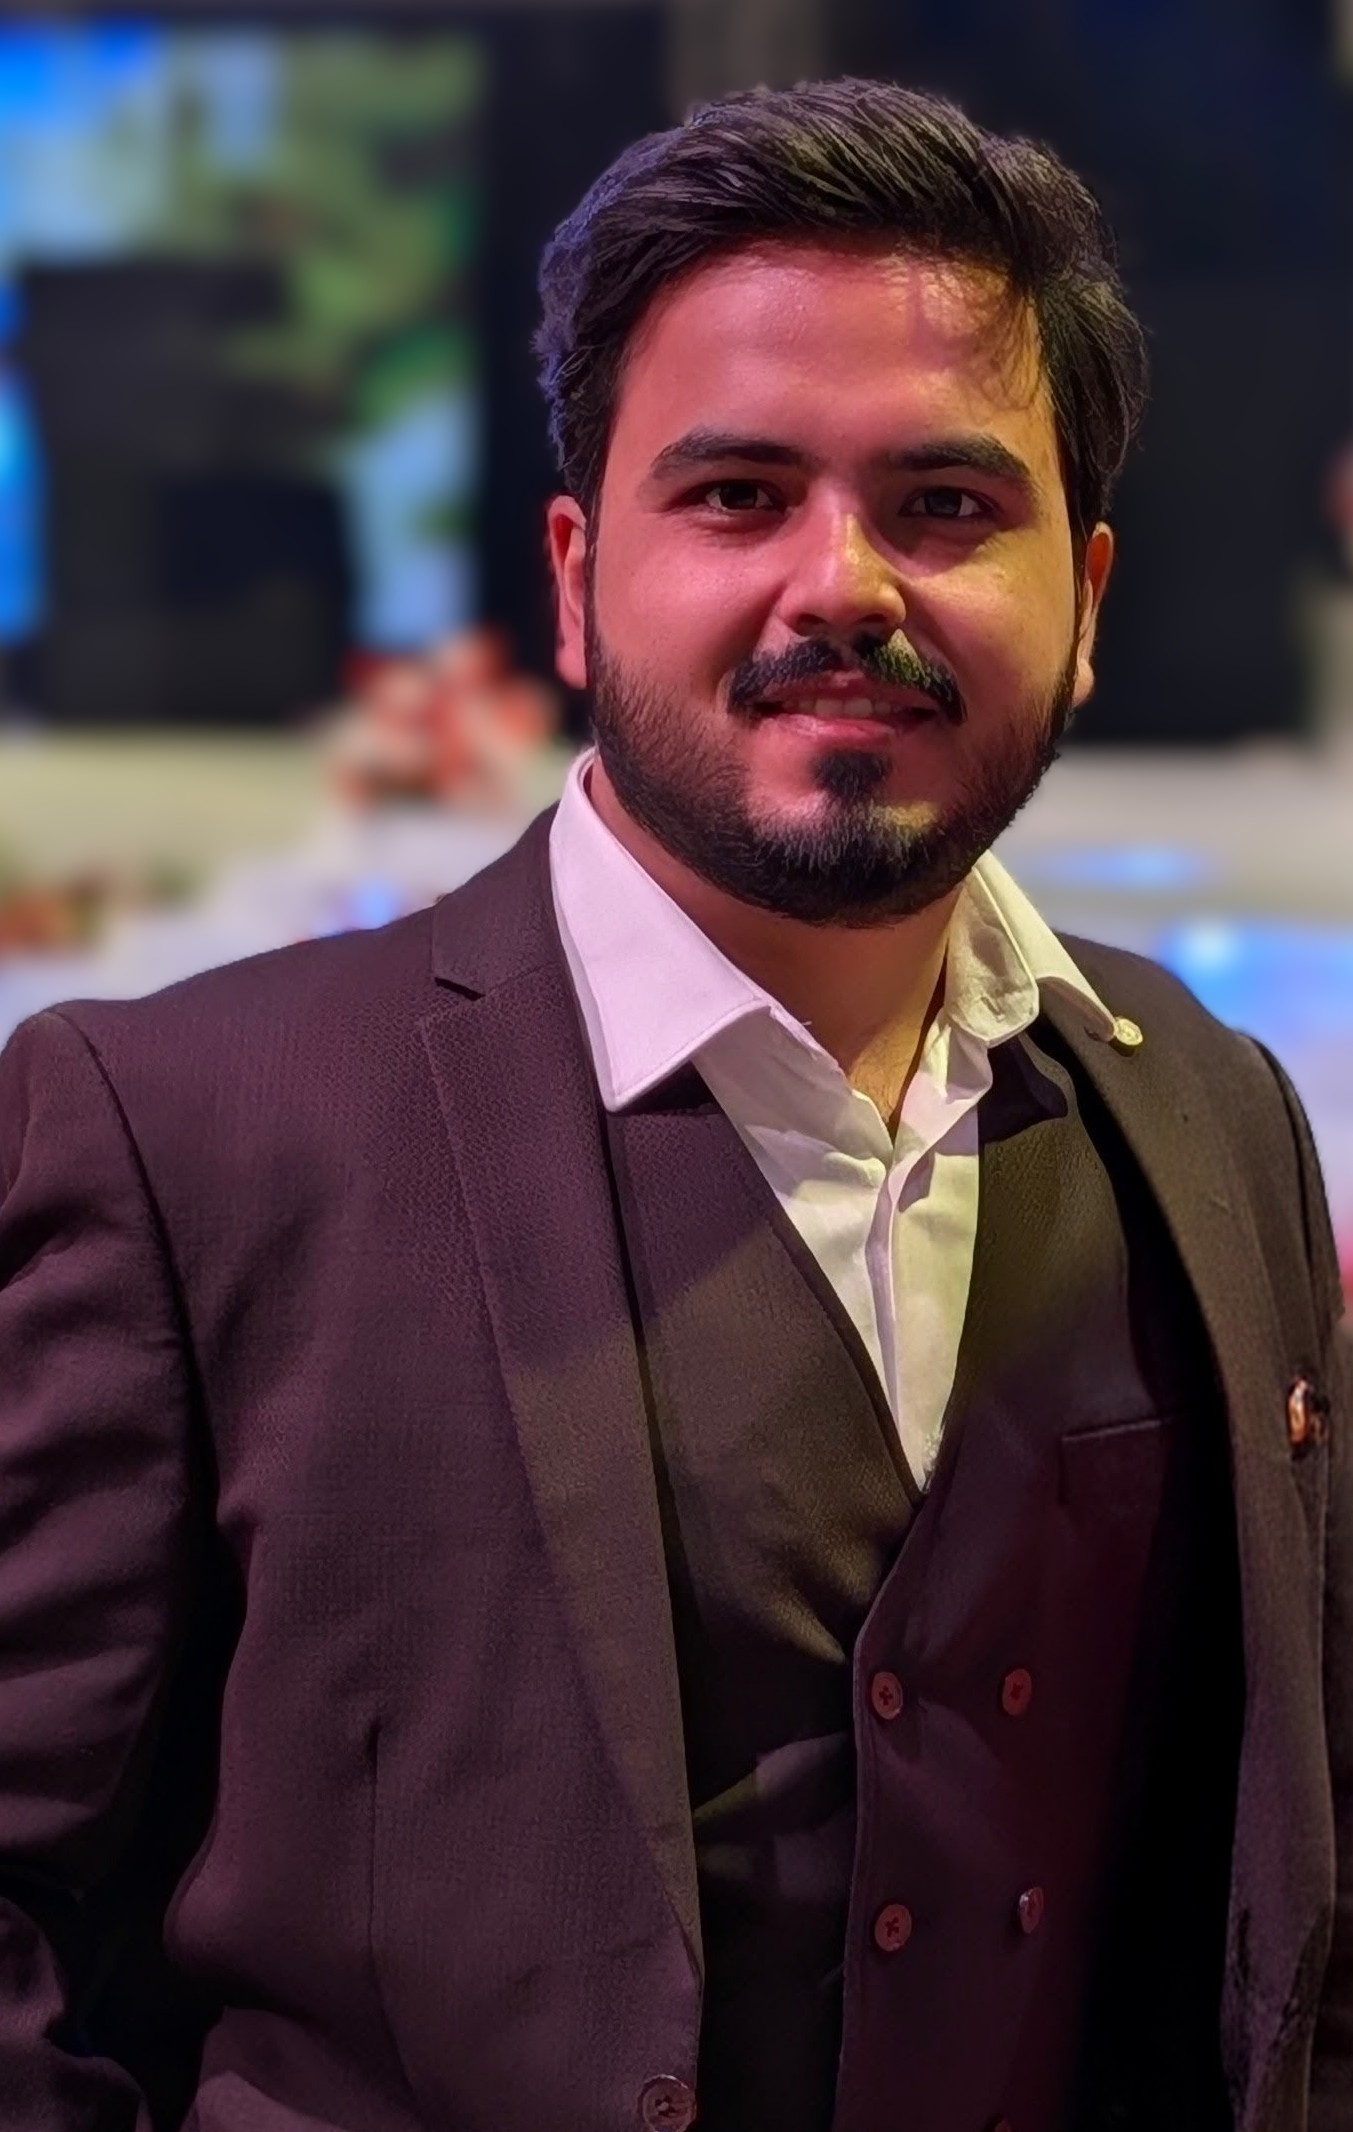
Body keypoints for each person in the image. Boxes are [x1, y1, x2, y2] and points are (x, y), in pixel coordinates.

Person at [0, 77, 1348, 2132]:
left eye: (943, 504)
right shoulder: (180, 1136)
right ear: (572, 576)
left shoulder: (1211, 1113)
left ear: (1083, 597)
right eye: (734, 495)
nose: (842, 584)